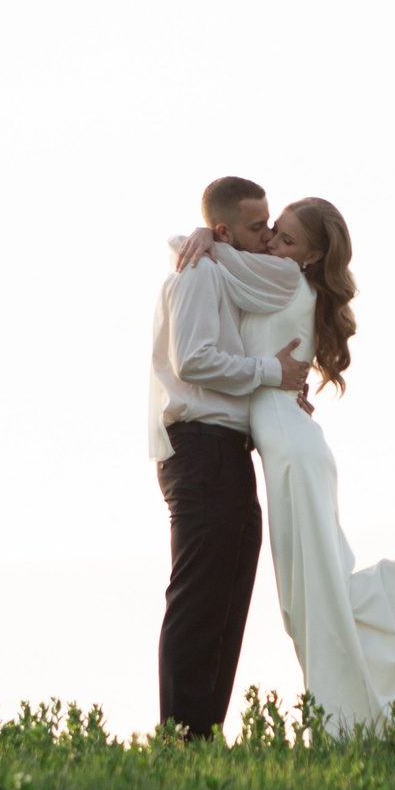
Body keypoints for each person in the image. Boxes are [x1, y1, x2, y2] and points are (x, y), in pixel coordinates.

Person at [174, 197, 395, 734]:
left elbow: (205, 260)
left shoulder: (277, 277)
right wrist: (210, 236)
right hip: (294, 448)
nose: (274, 244)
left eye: (288, 241)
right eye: (274, 232)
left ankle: (352, 720)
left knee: (317, 604)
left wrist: (201, 236)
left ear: (310, 256)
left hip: (293, 455)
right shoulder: (285, 277)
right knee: (320, 599)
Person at [146, 176, 311, 738]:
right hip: (200, 451)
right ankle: (180, 740)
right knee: (198, 602)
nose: (267, 237)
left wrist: (285, 389)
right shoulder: (197, 272)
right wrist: (272, 372)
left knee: (227, 602)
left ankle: (203, 737)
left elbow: (239, 356)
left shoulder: (226, 274)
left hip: (228, 452)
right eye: (257, 227)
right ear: (223, 229)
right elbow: (194, 361)